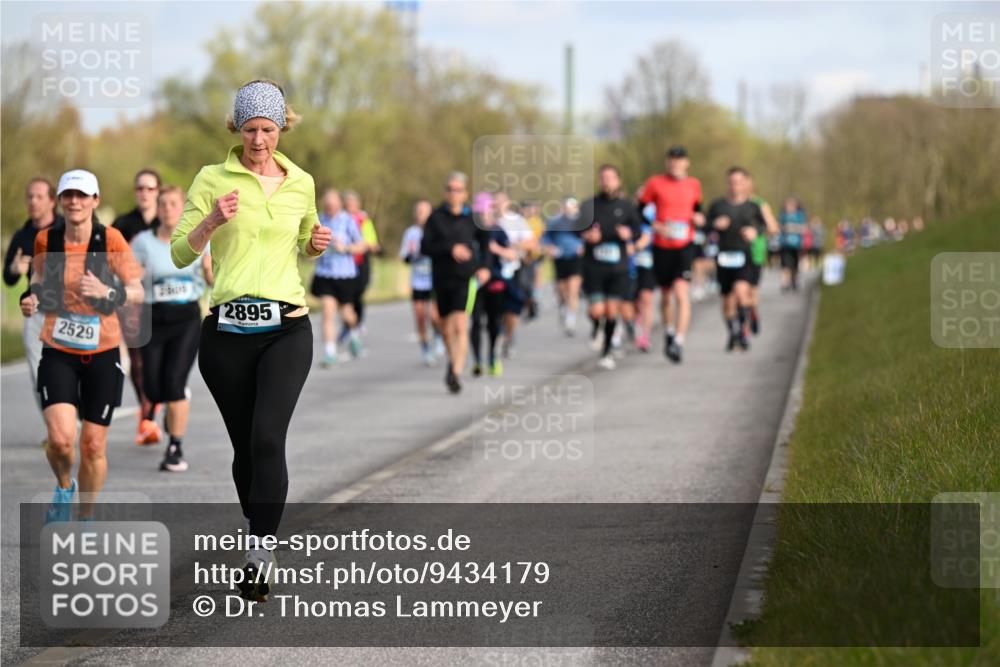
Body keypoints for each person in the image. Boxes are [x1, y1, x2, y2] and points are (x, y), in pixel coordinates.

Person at [170, 79, 331, 600]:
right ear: (235, 128)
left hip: (287, 327)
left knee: (267, 438)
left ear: (283, 126)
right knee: (244, 448)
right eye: (249, 129)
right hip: (227, 332)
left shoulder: (301, 181)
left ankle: (260, 550)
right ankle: (259, 521)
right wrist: (212, 220)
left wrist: (316, 244)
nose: (259, 140)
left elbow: (305, 241)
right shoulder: (212, 178)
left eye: (268, 129)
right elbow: (178, 251)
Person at [20, 169, 144, 522]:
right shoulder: (47, 240)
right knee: (60, 441)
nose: (75, 201)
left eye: (82, 195)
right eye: (68, 195)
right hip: (57, 350)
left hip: (102, 351)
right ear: (60, 201)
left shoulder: (111, 240)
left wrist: (108, 292)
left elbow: (136, 290)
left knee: (92, 445)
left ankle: (86, 516)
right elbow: (38, 280)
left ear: (95, 201)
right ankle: (63, 487)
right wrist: (31, 298)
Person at [131, 186, 211, 472]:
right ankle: (166, 406)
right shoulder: (142, 242)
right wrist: (132, 281)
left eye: (173, 203)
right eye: (162, 204)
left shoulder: (198, 239)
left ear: (183, 208)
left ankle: (175, 446)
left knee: (175, 382)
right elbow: (129, 278)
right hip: (153, 318)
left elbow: (211, 274)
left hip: (186, 318)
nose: (167, 209)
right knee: (152, 387)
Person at [4, 177, 64, 435]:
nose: (33, 201)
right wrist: (15, 269)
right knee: (38, 373)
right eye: (29, 196)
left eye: (39, 196)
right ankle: (55, 429)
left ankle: (76, 414)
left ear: (52, 200)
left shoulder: (68, 228)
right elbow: (9, 278)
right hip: (37, 311)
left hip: (70, 311)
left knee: (70, 370)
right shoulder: (22, 235)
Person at [420, 172, 490, 394]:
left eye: (458, 190)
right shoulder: (436, 217)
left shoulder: (473, 217)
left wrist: (485, 267)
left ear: (465, 193)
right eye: (450, 189)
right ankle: (453, 362)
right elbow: (425, 248)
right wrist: (450, 248)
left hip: (465, 278)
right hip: (441, 278)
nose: (453, 193)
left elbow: (486, 242)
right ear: (445, 192)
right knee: (446, 330)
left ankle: (456, 373)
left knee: (461, 324)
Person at [638, 145, 705, 364]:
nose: (675, 163)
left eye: (679, 160)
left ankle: (679, 340)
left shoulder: (694, 184)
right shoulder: (655, 183)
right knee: (666, 296)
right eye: (671, 160)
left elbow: (698, 210)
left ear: (687, 163)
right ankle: (668, 331)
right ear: (667, 162)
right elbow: (639, 211)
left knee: (681, 293)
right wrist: (655, 225)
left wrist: (699, 220)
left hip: (684, 245)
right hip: (661, 245)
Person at [114, 169, 163, 446]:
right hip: (134, 302)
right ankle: (147, 413)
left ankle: (155, 405)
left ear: (158, 191)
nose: (144, 193)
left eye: (150, 188)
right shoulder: (123, 223)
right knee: (139, 361)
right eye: (140, 188)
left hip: (164, 302)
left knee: (158, 360)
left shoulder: (167, 219)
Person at [579, 164, 642, 370]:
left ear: (618, 181)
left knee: (611, 310)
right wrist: (587, 235)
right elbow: (576, 230)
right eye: (603, 177)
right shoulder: (589, 205)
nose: (606, 181)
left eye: (610, 178)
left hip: (618, 267)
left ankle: (606, 351)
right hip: (594, 266)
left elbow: (638, 230)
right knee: (597, 310)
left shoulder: (626, 206)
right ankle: (596, 327)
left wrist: (629, 234)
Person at [706, 167, 767, 352]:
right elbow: (706, 226)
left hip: (744, 255)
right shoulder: (717, 206)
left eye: (739, 182)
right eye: (732, 182)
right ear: (727, 183)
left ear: (745, 183)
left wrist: (754, 232)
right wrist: (715, 225)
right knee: (727, 301)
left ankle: (743, 331)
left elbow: (763, 226)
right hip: (724, 256)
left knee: (741, 292)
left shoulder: (752, 206)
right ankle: (733, 332)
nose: (735, 185)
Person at [311, 189, 367, 367]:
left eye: (332, 203)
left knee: (347, 314)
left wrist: (347, 248)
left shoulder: (348, 220)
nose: (329, 207)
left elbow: (362, 245)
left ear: (339, 204)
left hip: (345, 275)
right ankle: (330, 353)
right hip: (325, 274)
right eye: (326, 204)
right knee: (327, 312)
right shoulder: (319, 220)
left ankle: (354, 333)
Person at [469, 195, 517, 377]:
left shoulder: (498, 231)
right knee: (475, 322)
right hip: (474, 282)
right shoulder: (470, 231)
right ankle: (477, 361)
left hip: (495, 282)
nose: (483, 216)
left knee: (493, 322)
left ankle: (492, 357)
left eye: (486, 212)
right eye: (480, 212)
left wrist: (497, 249)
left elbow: (512, 255)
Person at [399, 198, 444, 366]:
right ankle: (426, 350)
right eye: (418, 212)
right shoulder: (410, 233)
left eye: (424, 212)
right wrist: (411, 254)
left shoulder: (437, 231)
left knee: (434, 316)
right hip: (418, 281)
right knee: (420, 318)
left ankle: (439, 336)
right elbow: (404, 257)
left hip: (434, 280)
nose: (421, 215)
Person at [494, 191, 535, 359]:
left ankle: (509, 338)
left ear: (508, 202)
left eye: (502, 201)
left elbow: (531, 242)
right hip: (494, 270)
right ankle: (497, 335)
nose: (498, 205)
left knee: (512, 309)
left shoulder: (516, 221)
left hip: (513, 269)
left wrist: (514, 245)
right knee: (496, 308)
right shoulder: (486, 221)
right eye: (495, 201)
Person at [541, 197, 584, 336]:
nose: (569, 210)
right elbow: (545, 238)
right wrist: (550, 248)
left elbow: (588, 236)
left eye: (573, 207)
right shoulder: (555, 221)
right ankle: (563, 309)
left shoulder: (581, 221)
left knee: (573, 289)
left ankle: (570, 321)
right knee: (561, 290)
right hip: (560, 258)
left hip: (575, 258)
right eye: (567, 206)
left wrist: (584, 247)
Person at [344, 191, 380, 337]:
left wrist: (364, 245)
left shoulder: (363, 219)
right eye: (347, 204)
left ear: (358, 205)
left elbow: (372, 242)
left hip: (360, 263)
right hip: (345, 264)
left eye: (352, 204)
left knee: (358, 294)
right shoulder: (340, 218)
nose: (349, 207)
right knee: (346, 296)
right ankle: (348, 324)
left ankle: (358, 322)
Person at [747, 180, 780, 335]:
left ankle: (751, 315)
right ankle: (741, 323)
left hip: (755, 252)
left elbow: (773, 228)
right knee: (736, 292)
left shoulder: (760, 204)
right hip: (733, 252)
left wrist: (758, 232)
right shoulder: (728, 203)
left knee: (751, 291)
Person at [779, 197, 807, 292]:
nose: (789, 207)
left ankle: (794, 281)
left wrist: (792, 228)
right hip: (785, 244)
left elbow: (804, 228)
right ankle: (785, 283)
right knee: (785, 265)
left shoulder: (800, 215)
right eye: (787, 205)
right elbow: (778, 227)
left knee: (795, 265)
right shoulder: (783, 215)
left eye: (791, 205)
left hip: (797, 244)